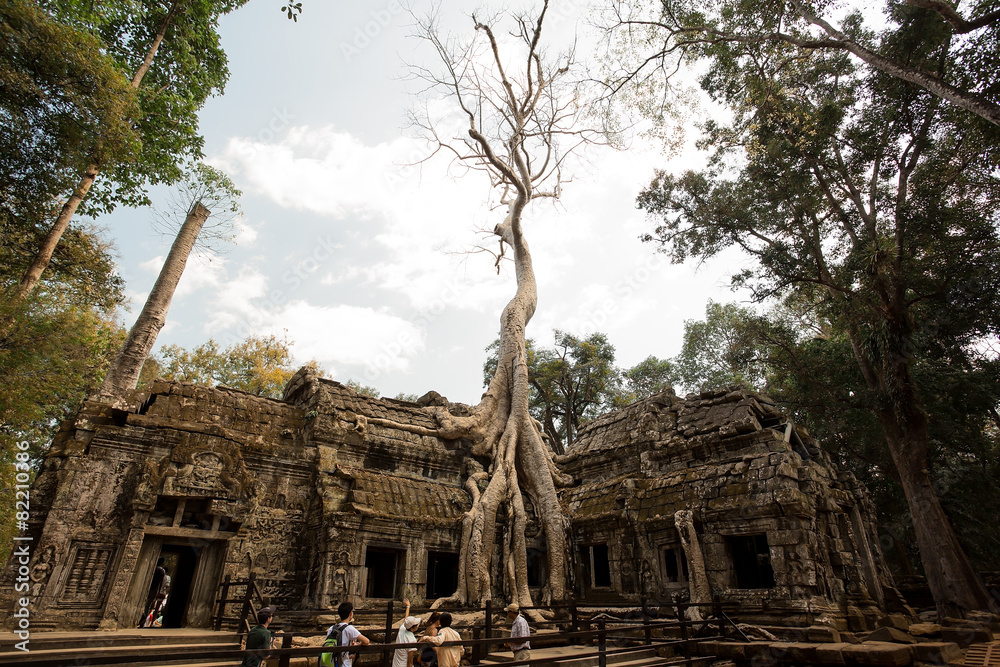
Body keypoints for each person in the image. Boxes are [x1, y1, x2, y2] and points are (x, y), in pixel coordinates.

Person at [327, 601, 370, 667]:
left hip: (331, 663)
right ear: (350, 614)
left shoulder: (331, 628)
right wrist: (358, 645)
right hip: (343, 664)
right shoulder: (349, 628)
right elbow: (366, 641)